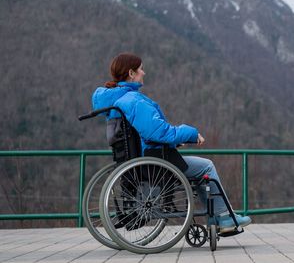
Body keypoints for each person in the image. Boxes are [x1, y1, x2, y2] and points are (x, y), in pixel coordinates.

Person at [91, 52, 251, 233]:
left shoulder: (116, 101)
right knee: (206, 167)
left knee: (197, 168)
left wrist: (173, 143)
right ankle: (223, 217)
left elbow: (143, 136)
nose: (144, 73)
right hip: (154, 162)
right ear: (131, 73)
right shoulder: (133, 101)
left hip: (140, 160)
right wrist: (191, 133)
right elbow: (158, 132)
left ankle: (218, 217)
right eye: (141, 69)